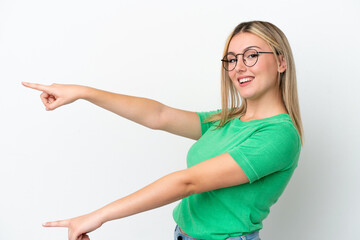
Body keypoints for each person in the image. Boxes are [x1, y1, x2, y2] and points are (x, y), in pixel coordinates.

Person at [23, 20, 303, 240]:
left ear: (281, 62)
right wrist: (83, 92)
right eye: (231, 59)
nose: (239, 67)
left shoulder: (279, 135)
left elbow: (187, 182)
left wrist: (99, 215)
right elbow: (159, 115)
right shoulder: (228, 119)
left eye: (251, 55)